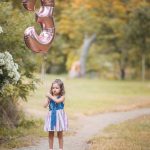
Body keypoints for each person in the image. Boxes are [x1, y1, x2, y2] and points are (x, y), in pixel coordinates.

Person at [44, 79, 68, 150]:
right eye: (53, 88)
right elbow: (44, 105)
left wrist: (50, 96)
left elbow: (57, 101)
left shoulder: (62, 97)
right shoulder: (50, 97)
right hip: (51, 117)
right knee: (50, 133)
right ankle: (50, 148)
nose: (54, 89)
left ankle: (61, 148)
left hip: (59, 117)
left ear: (61, 89)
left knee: (59, 133)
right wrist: (47, 98)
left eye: (57, 88)